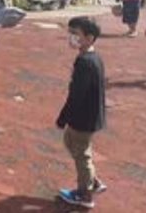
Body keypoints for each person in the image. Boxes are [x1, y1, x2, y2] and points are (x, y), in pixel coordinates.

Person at [56, 17, 107, 209]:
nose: (71, 38)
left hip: (84, 117)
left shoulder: (86, 62)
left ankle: (84, 194)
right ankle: (92, 180)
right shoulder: (92, 58)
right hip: (89, 114)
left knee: (81, 153)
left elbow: (76, 95)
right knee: (70, 142)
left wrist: (63, 117)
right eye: (70, 33)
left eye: (75, 34)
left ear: (89, 37)